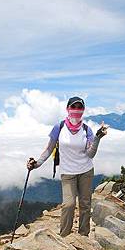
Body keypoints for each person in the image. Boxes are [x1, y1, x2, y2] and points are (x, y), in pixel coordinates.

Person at [27, 96, 107, 237]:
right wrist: (36, 164)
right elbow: (49, 149)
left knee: (85, 205)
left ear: (83, 110)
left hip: (86, 171)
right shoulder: (59, 127)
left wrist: (97, 138)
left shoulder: (87, 130)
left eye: (79, 108)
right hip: (67, 173)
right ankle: (64, 237)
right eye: (73, 107)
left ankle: (83, 236)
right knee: (68, 205)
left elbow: (90, 154)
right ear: (67, 109)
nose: (76, 110)